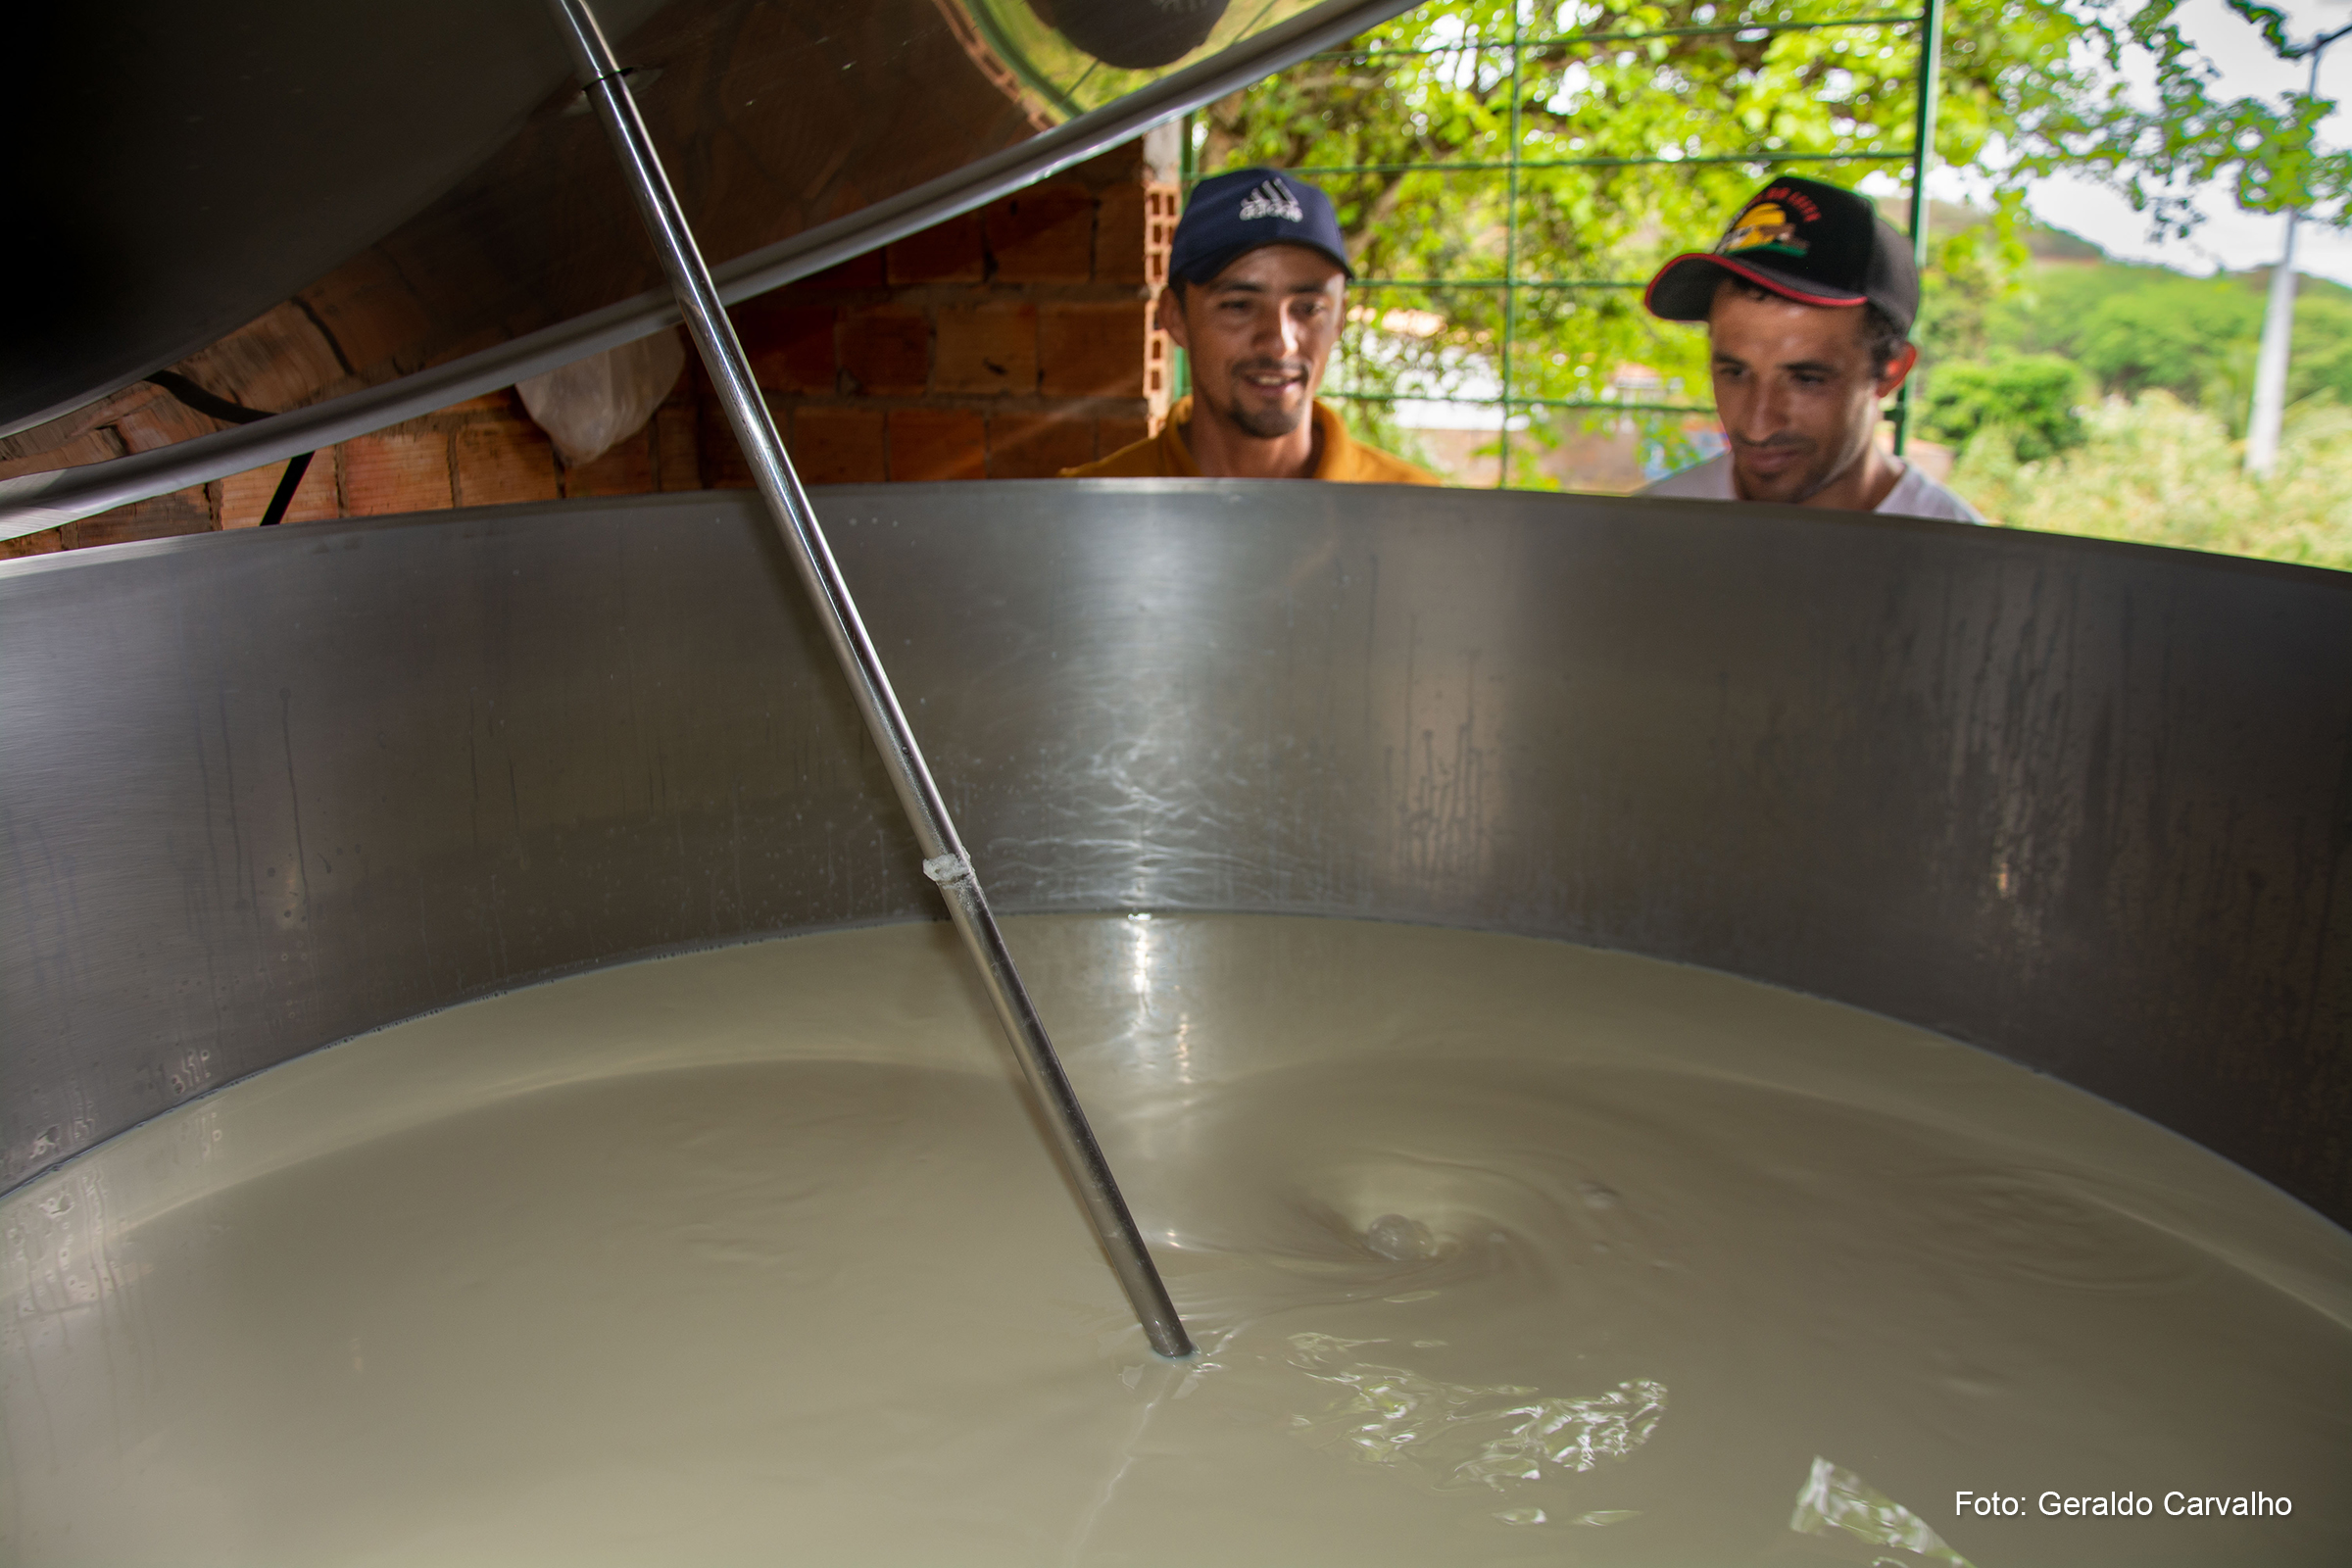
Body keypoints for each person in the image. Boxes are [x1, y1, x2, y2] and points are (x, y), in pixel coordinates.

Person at [1061, 168, 1438, 484]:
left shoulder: (1416, 511)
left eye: (1309, 308)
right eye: (1239, 306)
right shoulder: (1087, 511)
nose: (1279, 343)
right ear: (1175, 317)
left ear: (1339, 318)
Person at [1640, 176, 1983, 522]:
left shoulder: (1967, 562)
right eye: (1735, 373)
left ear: (1892, 371)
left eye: (1806, 379)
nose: (1758, 426)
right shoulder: (1643, 535)